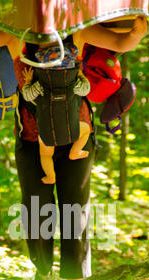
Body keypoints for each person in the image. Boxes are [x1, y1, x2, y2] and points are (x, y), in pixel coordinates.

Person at [0, 17, 147, 280]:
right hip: (31, 140)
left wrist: (136, 32)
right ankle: (43, 276)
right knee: (37, 213)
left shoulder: (77, 34)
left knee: (74, 215)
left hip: (76, 138)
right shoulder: (17, 36)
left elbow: (120, 43)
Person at [22, 41, 91, 185]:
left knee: (46, 154)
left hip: (47, 131)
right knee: (86, 130)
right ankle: (75, 152)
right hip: (71, 129)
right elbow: (86, 90)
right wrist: (82, 76)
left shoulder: (41, 84)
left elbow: (27, 96)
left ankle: (50, 176)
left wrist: (28, 81)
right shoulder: (73, 83)